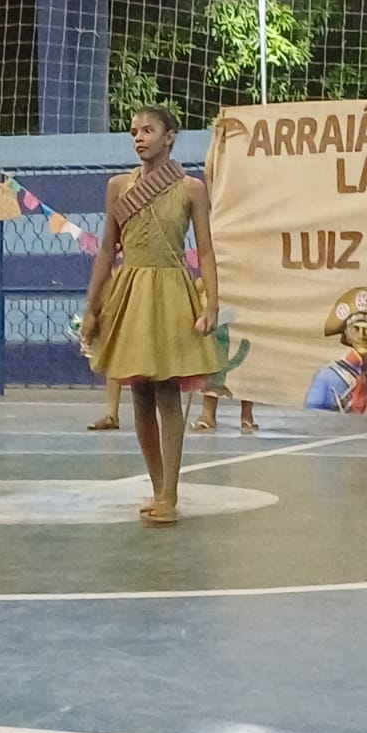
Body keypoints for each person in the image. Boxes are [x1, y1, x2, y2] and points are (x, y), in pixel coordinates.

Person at [79, 106, 219, 525]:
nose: (139, 138)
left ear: (170, 136)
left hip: (170, 293)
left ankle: (170, 494)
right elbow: (107, 249)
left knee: (167, 393)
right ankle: (157, 487)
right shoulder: (118, 187)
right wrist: (92, 306)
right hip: (130, 293)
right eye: (134, 132)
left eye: (148, 130)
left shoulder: (191, 189)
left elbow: (206, 251)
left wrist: (212, 303)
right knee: (139, 394)